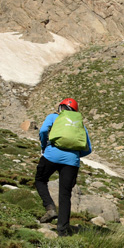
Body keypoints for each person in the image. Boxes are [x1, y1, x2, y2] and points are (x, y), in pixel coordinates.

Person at [35, 98, 92, 237]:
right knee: (65, 194)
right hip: (72, 161)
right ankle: (62, 231)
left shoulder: (54, 117)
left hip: (51, 155)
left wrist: (44, 146)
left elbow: (43, 131)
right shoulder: (79, 124)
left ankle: (50, 208)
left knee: (40, 180)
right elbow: (88, 148)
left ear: (61, 108)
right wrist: (74, 154)